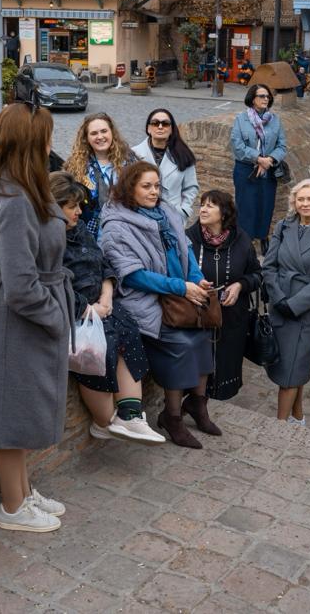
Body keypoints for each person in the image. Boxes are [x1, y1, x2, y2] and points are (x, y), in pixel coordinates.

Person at [0, 104, 74, 532]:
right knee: (10, 411)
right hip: (16, 320)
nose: (52, 144)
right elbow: (20, 285)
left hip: (21, 314)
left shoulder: (18, 186)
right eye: (46, 136)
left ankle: (23, 491)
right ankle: (12, 507)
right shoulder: (13, 199)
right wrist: (56, 318)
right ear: (31, 142)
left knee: (20, 406)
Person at [100, 161, 215, 448]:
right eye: (146, 186)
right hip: (144, 300)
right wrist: (181, 287)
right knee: (181, 344)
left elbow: (186, 250)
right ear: (130, 188)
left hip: (178, 295)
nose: (154, 192)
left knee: (204, 336)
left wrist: (197, 279)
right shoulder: (116, 225)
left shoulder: (166, 212)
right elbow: (132, 275)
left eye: (157, 186)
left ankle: (197, 404)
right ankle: (171, 416)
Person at [50, 171, 162, 444]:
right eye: (72, 206)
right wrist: (88, 310)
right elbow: (53, 285)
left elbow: (103, 263)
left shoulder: (78, 230)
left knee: (128, 330)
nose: (79, 211)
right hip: (77, 313)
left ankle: (130, 415)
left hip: (101, 304)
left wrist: (107, 294)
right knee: (101, 348)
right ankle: (105, 422)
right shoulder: (47, 242)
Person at [262, 179, 310, 423]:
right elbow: (269, 266)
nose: (305, 203)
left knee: (291, 373)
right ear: (294, 202)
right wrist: (279, 299)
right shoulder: (283, 226)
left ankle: (280, 426)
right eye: (301, 199)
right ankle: (298, 416)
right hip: (280, 304)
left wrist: (294, 305)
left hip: (308, 311)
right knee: (289, 367)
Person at [186, 189, 262, 401]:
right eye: (202, 204)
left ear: (224, 213)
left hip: (232, 317)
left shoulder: (241, 240)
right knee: (197, 365)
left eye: (210, 205)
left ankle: (216, 396)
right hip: (196, 316)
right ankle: (195, 400)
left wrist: (240, 285)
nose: (203, 209)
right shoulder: (188, 239)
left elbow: (257, 274)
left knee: (226, 362)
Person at [230, 84, 287, 248]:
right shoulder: (241, 119)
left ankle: (263, 236)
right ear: (252, 99)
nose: (266, 99)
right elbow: (237, 146)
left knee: (266, 204)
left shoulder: (275, 120)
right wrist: (258, 159)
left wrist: (269, 160)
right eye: (262, 96)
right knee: (246, 205)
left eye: (268, 96)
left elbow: (282, 146)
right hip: (246, 169)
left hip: (268, 169)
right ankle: (245, 240)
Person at [65, 112, 136, 234]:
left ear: (112, 133)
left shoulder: (130, 162)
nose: (100, 136)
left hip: (124, 228)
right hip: (88, 231)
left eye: (104, 131)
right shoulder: (75, 166)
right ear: (86, 138)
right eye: (94, 133)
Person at [131, 108, 199, 220]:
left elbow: (191, 187)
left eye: (165, 124)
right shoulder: (134, 154)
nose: (160, 127)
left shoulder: (184, 155)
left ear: (171, 129)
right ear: (148, 128)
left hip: (173, 217)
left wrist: (184, 210)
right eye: (155, 123)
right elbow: (128, 186)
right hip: (142, 216)